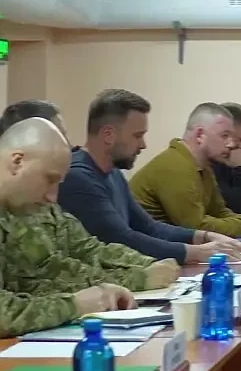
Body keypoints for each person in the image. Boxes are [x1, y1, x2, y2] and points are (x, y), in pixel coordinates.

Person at [0, 117, 176, 337]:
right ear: (17, 162)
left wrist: (143, 267)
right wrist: (76, 304)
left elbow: (83, 252)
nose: (52, 197)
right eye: (49, 180)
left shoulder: (25, 205)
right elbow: (8, 310)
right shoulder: (24, 203)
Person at [57, 89, 241, 264]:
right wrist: (196, 252)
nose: (143, 145)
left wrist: (205, 236)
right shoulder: (78, 176)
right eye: (137, 135)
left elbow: (149, 227)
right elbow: (121, 239)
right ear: (108, 135)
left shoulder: (113, 172)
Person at [130, 102, 241, 237]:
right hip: (143, 248)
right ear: (200, 135)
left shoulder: (202, 166)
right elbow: (194, 226)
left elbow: (218, 212)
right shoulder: (176, 165)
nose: (231, 144)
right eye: (224, 136)